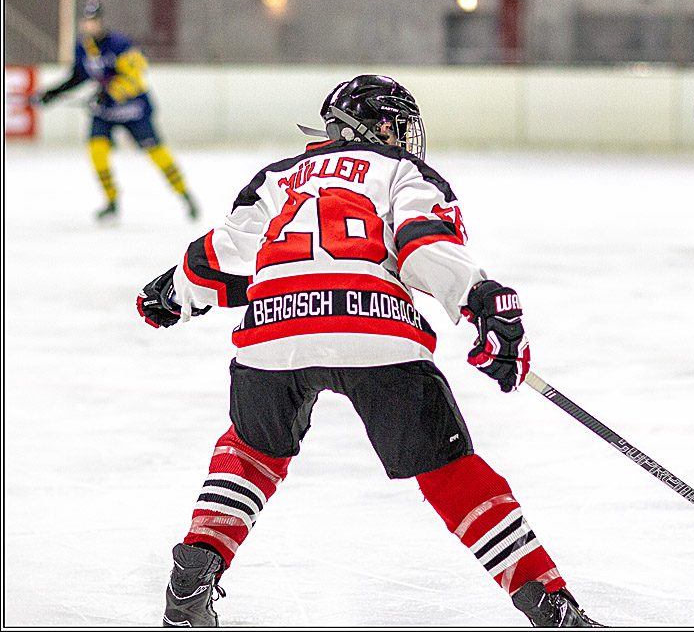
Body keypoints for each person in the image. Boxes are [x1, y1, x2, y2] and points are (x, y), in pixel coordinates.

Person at [137, 75, 599, 627]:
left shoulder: (278, 176)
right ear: (370, 127)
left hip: (270, 330)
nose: (404, 137)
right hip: (375, 327)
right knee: (451, 472)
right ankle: (547, 602)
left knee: (252, 451)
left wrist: (173, 290)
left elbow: (223, 253)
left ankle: (195, 572)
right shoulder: (403, 172)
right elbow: (423, 246)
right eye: (396, 125)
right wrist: (480, 302)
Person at [34, 0, 199, 222]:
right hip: (105, 112)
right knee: (97, 152)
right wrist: (51, 94)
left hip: (134, 110)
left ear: (102, 22)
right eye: (86, 22)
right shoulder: (83, 47)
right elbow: (78, 76)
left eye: (94, 21)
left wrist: (108, 94)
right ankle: (111, 201)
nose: (89, 26)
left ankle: (185, 195)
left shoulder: (121, 45)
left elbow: (136, 77)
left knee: (158, 155)